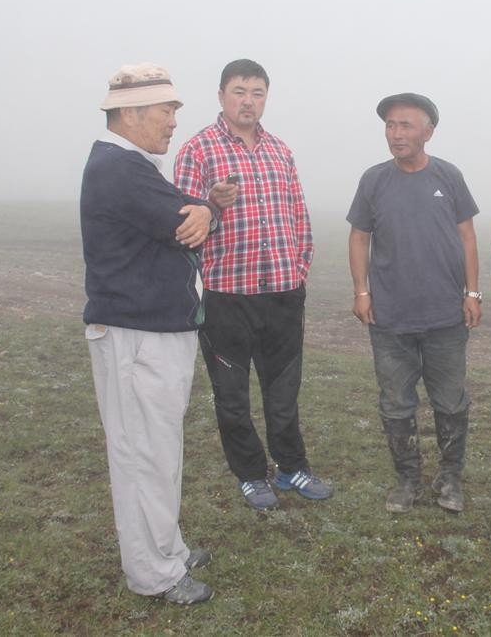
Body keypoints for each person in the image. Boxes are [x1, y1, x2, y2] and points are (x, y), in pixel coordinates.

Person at [81, 63, 220, 604]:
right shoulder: (120, 168)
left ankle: (168, 549)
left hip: (150, 331)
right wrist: (206, 209)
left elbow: (190, 217)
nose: (173, 121)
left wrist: (205, 210)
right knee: (143, 456)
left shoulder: (132, 166)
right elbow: (184, 223)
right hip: (137, 336)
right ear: (131, 113)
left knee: (158, 450)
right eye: (166, 110)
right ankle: (154, 573)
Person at [173, 59, 331, 511]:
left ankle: (291, 467)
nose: (248, 101)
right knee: (232, 395)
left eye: (257, 92)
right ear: (221, 96)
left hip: (282, 292)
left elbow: (298, 215)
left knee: (284, 391)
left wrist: (298, 268)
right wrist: (212, 203)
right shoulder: (198, 150)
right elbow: (182, 223)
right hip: (226, 295)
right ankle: (249, 473)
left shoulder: (280, 151)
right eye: (239, 91)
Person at [347, 93, 481, 514]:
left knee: (451, 401)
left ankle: (450, 477)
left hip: (445, 316)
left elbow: (467, 236)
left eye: (405, 125)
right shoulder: (373, 180)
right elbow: (359, 237)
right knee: (396, 403)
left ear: (429, 132)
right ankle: (407, 479)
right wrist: (361, 291)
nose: (396, 133)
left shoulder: (449, 176)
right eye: (390, 125)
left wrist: (472, 292)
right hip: (390, 318)